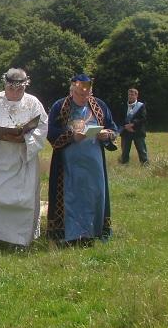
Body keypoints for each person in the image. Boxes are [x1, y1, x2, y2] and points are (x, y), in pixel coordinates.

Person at [0, 68, 48, 252]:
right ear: (5, 85)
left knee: (23, 201)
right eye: (11, 89)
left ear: (25, 86)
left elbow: (43, 125)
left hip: (23, 159)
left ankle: (20, 241)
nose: (15, 93)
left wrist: (25, 138)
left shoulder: (33, 103)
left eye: (19, 89)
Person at [46, 74, 118, 246]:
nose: (83, 98)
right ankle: (70, 234)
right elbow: (51, 133)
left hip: (94, 164)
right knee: (71, 196)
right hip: (68, 164)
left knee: (95, 194)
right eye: (79, 94)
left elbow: (113, 128)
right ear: (72, 91)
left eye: (87, 95)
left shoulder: (99, 106)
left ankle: (94, 232)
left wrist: (107, 135)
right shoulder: (60, 106)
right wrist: (71, 136)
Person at [119, 87, 149, 166]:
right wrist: (126, 126)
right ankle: (124, 165)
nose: (130, 96)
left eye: (132, 95)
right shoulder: (123, 105)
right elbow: (119, 117)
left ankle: (145, 165)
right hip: (126, 132)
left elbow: (143, 118)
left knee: (142, 150)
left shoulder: (141, 106)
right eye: (129, 94)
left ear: (136, 96)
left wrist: (132, 125)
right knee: (125, 151)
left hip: (137, 131)